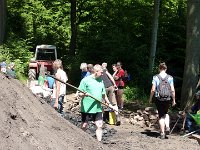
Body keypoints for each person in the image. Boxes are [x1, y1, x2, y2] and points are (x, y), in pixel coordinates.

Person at [78, 64, 114, 142]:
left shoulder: (100, 80)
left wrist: (108, 103)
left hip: (97, 107)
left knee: (99, 125)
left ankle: (99, 143)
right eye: (101, 72)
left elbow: (103, 94)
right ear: (96, 72)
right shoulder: (85, 80)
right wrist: (83, 94)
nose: (102, 74)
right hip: (87, 107)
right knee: (84, 125)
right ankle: (81, 141)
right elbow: (79, 93)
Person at [149, 62, 176, 139]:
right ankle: (167, 126)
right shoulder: (170, 77)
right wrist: (173, 100)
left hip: (159, 98)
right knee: (166, 113)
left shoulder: (155, 77)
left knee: (161, 116)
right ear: (166, 69)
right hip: (167, 98)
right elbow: (173, 90)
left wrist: (150, 99)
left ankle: (162, 133)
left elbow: (153, 89)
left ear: (159, 68)